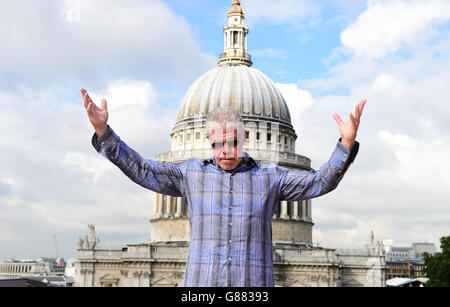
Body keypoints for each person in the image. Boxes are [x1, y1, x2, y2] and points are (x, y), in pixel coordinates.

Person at [80, 88, 366, 287]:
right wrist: (104, 133)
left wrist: (346, 144)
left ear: (245, 137)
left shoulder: (271, 178)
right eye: (218, 143)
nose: (226, 151)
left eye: (232, 142)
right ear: (208, 140)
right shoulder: (190, 173)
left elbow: (320, 181)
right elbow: (142, 169)